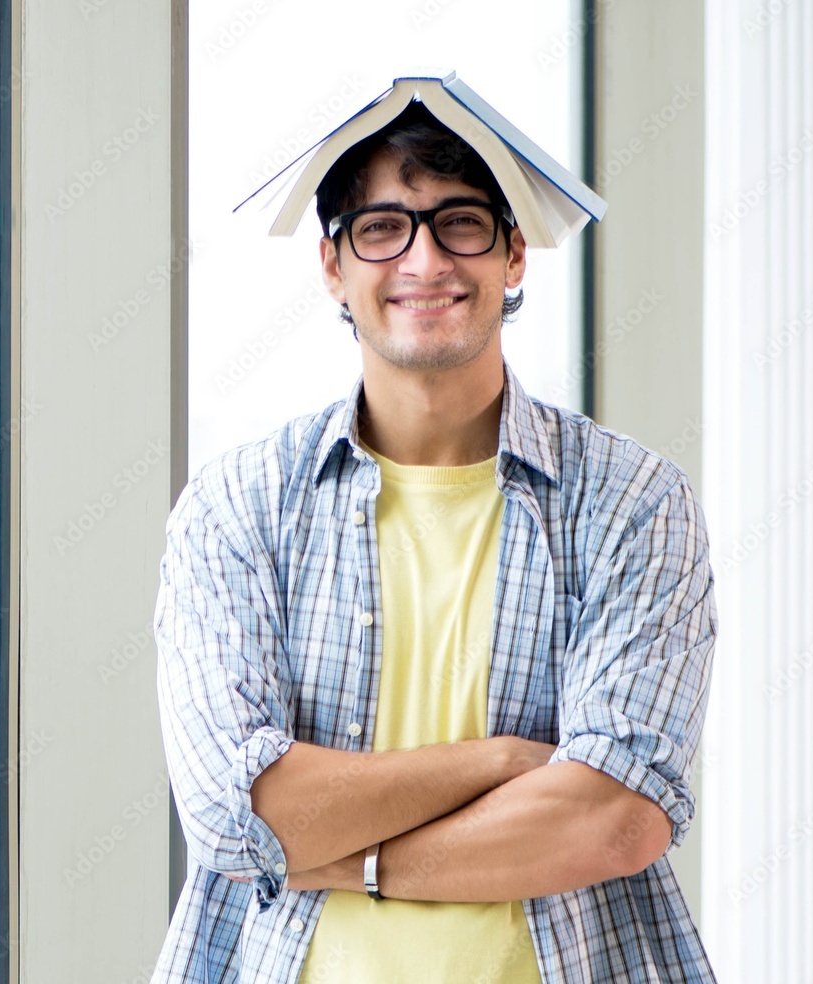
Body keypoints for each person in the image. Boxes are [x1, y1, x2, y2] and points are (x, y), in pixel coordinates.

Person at [152, 102, 717, 983]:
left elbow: (617, 820)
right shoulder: (240, 506)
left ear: (513, 252)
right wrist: (497, 762)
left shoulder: (633, 503)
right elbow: (235, 815)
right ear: (333, 266)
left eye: (460, 223)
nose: (424, 260)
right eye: (382, 228)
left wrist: (355, 860)